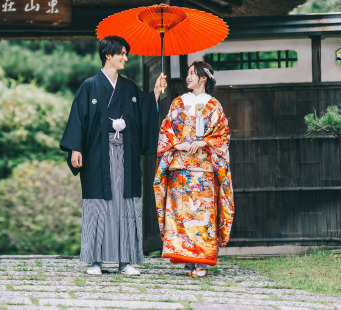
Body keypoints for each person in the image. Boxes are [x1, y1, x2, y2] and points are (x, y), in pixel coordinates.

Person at [60, 35, 166, 276]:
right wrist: (76, 148)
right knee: (98, 204)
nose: (126, 58)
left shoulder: (128, 87)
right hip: (98, 155)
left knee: (125, 204)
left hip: (125, 155)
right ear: (108, 54)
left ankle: (125, 261)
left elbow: (143, 111)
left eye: (126, 54)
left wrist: (156, 93)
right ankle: (95, 260)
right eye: (122, 54)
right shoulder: (89, 86)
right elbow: (78, 119)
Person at [153, 60, 233, 278]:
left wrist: (205, 142)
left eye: (192, 74)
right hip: (180, 168)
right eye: (187, 73)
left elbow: (223, 134)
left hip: (204, 170)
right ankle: (186, 259)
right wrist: (177, 144)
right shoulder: (178, 103)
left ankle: (202, 261)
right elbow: (166, 130)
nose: (187, 77)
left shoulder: (214, 105)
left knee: (203, 216)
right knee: (181, 215)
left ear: (203, 78)